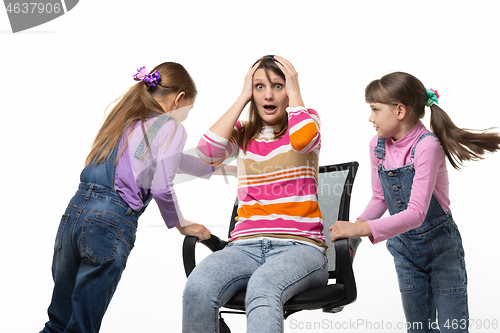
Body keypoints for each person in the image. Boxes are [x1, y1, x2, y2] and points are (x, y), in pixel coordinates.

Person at [40, 62, 233, 333]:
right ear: (179, 99)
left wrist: (226, 169)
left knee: (58, 323)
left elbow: (173, 161)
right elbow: (161, 185)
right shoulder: (171, 126)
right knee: (81, 327)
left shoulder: (125, 120)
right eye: (189, 108)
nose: (187, 115)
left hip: (73, 215)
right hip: (109, 222)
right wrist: (182, 224)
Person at [330, 71, 500, 332]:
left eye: (375, 110)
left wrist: (362, 229)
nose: (370, 118)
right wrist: (356, 229)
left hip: (442, 251)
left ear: (399, 111)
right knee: (418, 328)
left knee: (453, 328)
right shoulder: (377, 145)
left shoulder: (427, 146)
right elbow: (379, 198)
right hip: (405, 252)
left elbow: (417, 213)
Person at [182, 55, 328, 333]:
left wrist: (296, 91)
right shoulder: (242, 134)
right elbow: (206, 152)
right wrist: (242, 97)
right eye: (260, 87)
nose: (269, 94)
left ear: (290, 91)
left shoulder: (307, 121)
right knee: (197, 288)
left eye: (278, 86)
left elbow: (302, 140)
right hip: (243, 248)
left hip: (300, 248)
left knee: (263, 287)